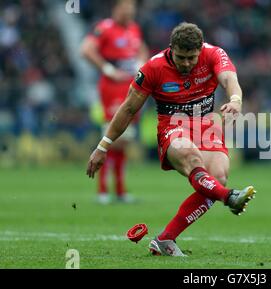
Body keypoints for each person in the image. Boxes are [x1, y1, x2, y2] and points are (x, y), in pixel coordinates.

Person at [86, 22, 256, 256]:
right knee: (191, 158)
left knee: (218, 177)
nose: (186, 63)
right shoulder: (153, 68)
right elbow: (128, 109)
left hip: (206, 126)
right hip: (173, 127)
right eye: (181, 57)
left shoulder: (215, 54)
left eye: (192, 58)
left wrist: (235, 100)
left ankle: (165, 240)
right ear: (171, 49)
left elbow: (229, 79)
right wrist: (103, 146)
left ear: (200, 51)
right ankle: (229, 198)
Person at [80, 0, 149, 204]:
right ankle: (103, 190)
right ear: (116, 9)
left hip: (131, 87)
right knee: (113, 137)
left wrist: (141, 64)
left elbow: (142, 50)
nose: (129, 12)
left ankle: (119, 191)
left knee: (124, 140)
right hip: (112, 87)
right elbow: (86, 49)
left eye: (132, 8)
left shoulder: (134, 29)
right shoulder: (105, 27)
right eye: (126, 8)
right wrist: (108, 69)